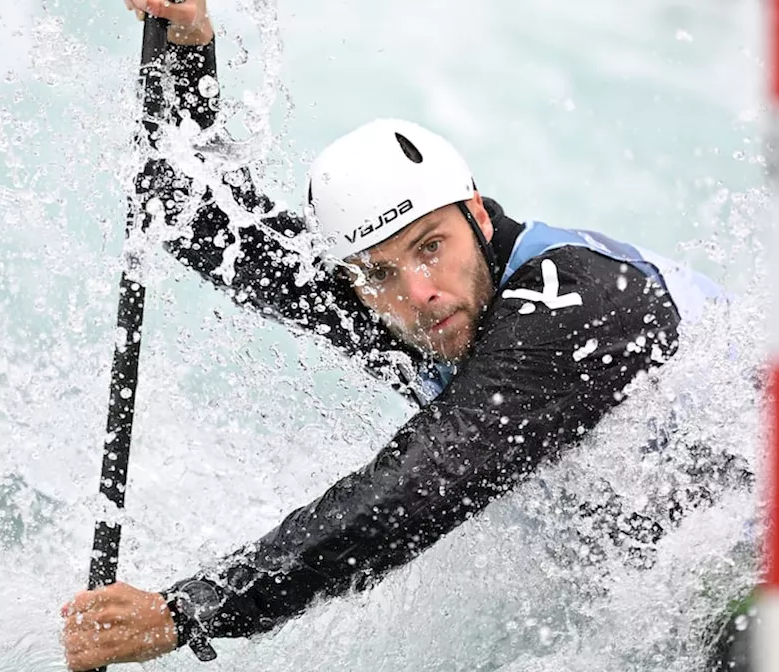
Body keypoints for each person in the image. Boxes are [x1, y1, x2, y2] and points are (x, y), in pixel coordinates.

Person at [61, 1, 742, 668]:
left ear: (476, 213)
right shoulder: (394, 298)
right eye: (381, 272)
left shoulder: (577, 298)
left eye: (431, 246)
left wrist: (190, 611)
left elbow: (431, 479)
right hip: (669, 579)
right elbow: (188, 215)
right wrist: (186, 45)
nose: (418, 293)